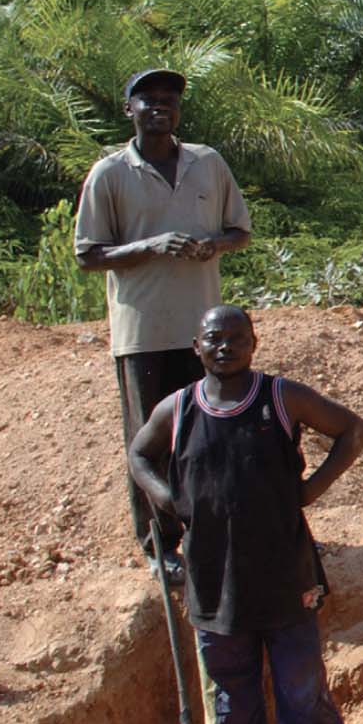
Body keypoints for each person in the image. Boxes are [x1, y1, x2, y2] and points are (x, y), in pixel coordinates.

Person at [125, 305, 363, 724]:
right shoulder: (179, 408)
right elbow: (139, 455)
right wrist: (169, 500)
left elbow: (353, 431)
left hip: (286, 569)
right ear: (197, 347)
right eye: (214, 339)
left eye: (236, 338)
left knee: (301, 680)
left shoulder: (281, 398)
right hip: (214, 578)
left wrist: (309, 491)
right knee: (227, 684)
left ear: (254, 343)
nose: (225, 348)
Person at [75, 68, 251, 584]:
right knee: (151, 441)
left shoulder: (208, 163)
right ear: (127, 108)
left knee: (205, 433)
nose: (160, 107)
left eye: (169, 100)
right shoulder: (110, 173)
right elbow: (88, 255)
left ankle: (209, 533)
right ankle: (159, 544)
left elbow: (238, 231)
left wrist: (213, 245)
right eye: (148, 99)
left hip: (206, 335)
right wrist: (150, 246)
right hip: (143, 331)